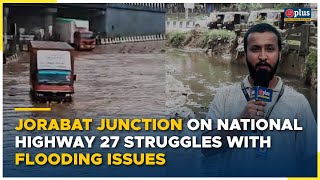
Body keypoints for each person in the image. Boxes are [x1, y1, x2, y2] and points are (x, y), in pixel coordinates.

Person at [202, 23, 317, 177]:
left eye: (270, 49)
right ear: (244, 54)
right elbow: (206, 148)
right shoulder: (224, 96)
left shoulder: (299, 103)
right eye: (255, 49)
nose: (263, 57)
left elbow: (311, 161)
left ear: (280, 54)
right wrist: (239, 124)